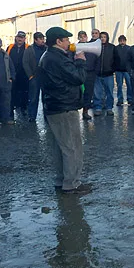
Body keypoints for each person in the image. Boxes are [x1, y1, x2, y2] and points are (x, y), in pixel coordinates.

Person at [39, 27, 90, 195]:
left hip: (55, 106)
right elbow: (78, 77)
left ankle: (61, 180)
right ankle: (72, 183)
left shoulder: (48, 56)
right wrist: (81, 62)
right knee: (72, 147)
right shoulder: (58, 58)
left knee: (61, 146)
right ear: (58, 41)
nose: (69, 42)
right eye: (66, 40)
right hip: (64, 106)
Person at [22, 32, 47, 122]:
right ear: (35, 40)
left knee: (46, 98)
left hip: (45, 77)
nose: (42, 41)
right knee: (33, 98)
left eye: (43, 39)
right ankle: (32, 116)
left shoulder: (46, 49)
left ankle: (47, 116)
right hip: (34, 77)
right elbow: (25, 62)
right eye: (40, 39)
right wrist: (30, 76)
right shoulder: (30, 49)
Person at [6, 31, 29, 117]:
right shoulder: (10, 47)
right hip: (12, 74)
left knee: (24, 92)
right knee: (12, 92)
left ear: (24, 39)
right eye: (19, 37)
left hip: (24, 74)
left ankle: (23, 108)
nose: (20, 39)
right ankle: (11, 110)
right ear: (16, 37)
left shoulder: (28, 48)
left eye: (22, 37)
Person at [93, 31, 115, 116]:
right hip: (98, 74)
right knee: (97, 93)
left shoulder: (112, 47)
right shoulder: (95, 47)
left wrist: (112, 69)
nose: (103, 38)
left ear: (107, 38)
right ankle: (98, 108)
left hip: (108, 74)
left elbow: (116, 59)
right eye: (101, 37)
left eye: (104, 37)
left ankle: (109, 108)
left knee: (109, 92)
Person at [77, 31, 97, 120]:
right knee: (78, 92)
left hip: (90, 73)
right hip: (79, 72)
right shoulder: (76, 47)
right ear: (78, 38)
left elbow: (95, 58)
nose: (83, 38)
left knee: (89, 93)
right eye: (81, 37)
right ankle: (76, 110)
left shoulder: (91, 47)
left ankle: (85, 111)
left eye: (84, 36)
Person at [114, 35, 132, 106]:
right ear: (119, 41)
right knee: (119, 85)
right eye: (120, 41)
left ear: (125, 41)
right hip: (118, 70)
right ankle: (120, 99)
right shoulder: (116, 48)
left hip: (127, 70)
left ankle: (130, 99)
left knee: (129, 85)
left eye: (123, 40)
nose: (122, 42)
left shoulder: (129, 48)